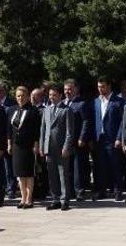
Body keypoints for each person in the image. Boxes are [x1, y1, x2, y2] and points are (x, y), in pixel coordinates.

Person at [91, 77, 125, 201]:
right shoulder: (96, 101)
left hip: (113, 138)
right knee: (100, 166)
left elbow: (123, 121)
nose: (100, 89)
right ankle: (101, 190)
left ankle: (117, 190)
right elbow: (94, 120)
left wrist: (119, 137)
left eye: (103, 86)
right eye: (99, 87)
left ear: (109, 86)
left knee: (115, 165)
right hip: (99, 139)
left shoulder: (119, 101)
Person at [39, 83, 72, 211]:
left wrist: (66, 147)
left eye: (54, 95)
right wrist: (42, 146)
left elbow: (69, 132)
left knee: (63, 175)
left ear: (60, 95)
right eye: (50, 95)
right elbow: (43, 130)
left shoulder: (66, 110)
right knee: (52, 175)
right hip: (49, 148)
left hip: (61, 148)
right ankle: (55, 199)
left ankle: (64, 200)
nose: (51, 97)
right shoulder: (46, 110)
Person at [8, 85, 40, 208]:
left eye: (23, 96)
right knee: (20, 174)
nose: (20, 98)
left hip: (29, 145)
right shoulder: (12, 109)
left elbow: (36, 130)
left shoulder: (33, 110)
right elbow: (9, 129)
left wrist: (36, 144)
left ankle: (29, 199)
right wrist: (9, 144)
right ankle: (22, 198)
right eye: (18, 96)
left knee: (29, 173)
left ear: (27, 96)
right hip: (16, 146)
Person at [63, 79, 92, 200]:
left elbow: (86, 121)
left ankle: (79, 191)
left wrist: (82, 137)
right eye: (65, 89)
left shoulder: (81, 104)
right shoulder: (63, 103)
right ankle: (69, 191)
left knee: (78, 168)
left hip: (77, 141)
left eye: (69, 89)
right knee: (67, 167)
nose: (67, 92)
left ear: (76, 89)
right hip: (65, 142)